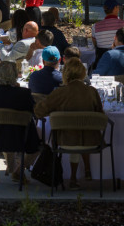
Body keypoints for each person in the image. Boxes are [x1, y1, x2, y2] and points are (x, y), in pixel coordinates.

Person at [35, 58, 102, 190]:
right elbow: (101, 115)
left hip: (64, 141)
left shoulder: (59, 93)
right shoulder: (92, 92)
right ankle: (81, 174)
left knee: (72, 132)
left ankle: (73, 178)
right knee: (79, 132)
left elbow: (38, 112)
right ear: (83, 73)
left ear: (65, 73)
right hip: (92, 141)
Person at [0, 61, 40, 183]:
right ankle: (18, 170)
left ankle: (13, 169)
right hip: (22, 140)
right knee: (37, 143)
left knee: (6, 130)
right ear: (16, 76)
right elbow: (34, 111)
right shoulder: (23, 93)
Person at [91, 0, 124, 67]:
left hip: (101, 61)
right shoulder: (122, 24)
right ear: (115, 8)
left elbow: (95, 44)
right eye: (118, 7)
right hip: (120, 62)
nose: (118, 9)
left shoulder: (95, 26)